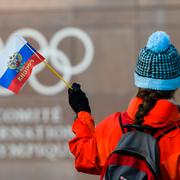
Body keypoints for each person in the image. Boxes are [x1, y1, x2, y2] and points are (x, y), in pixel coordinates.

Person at [68, 31, 180, 179]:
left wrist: (82, 111)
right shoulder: (176, 137)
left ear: (139, 81)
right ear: (174, 85)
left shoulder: (113, 126)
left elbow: (84, 157)